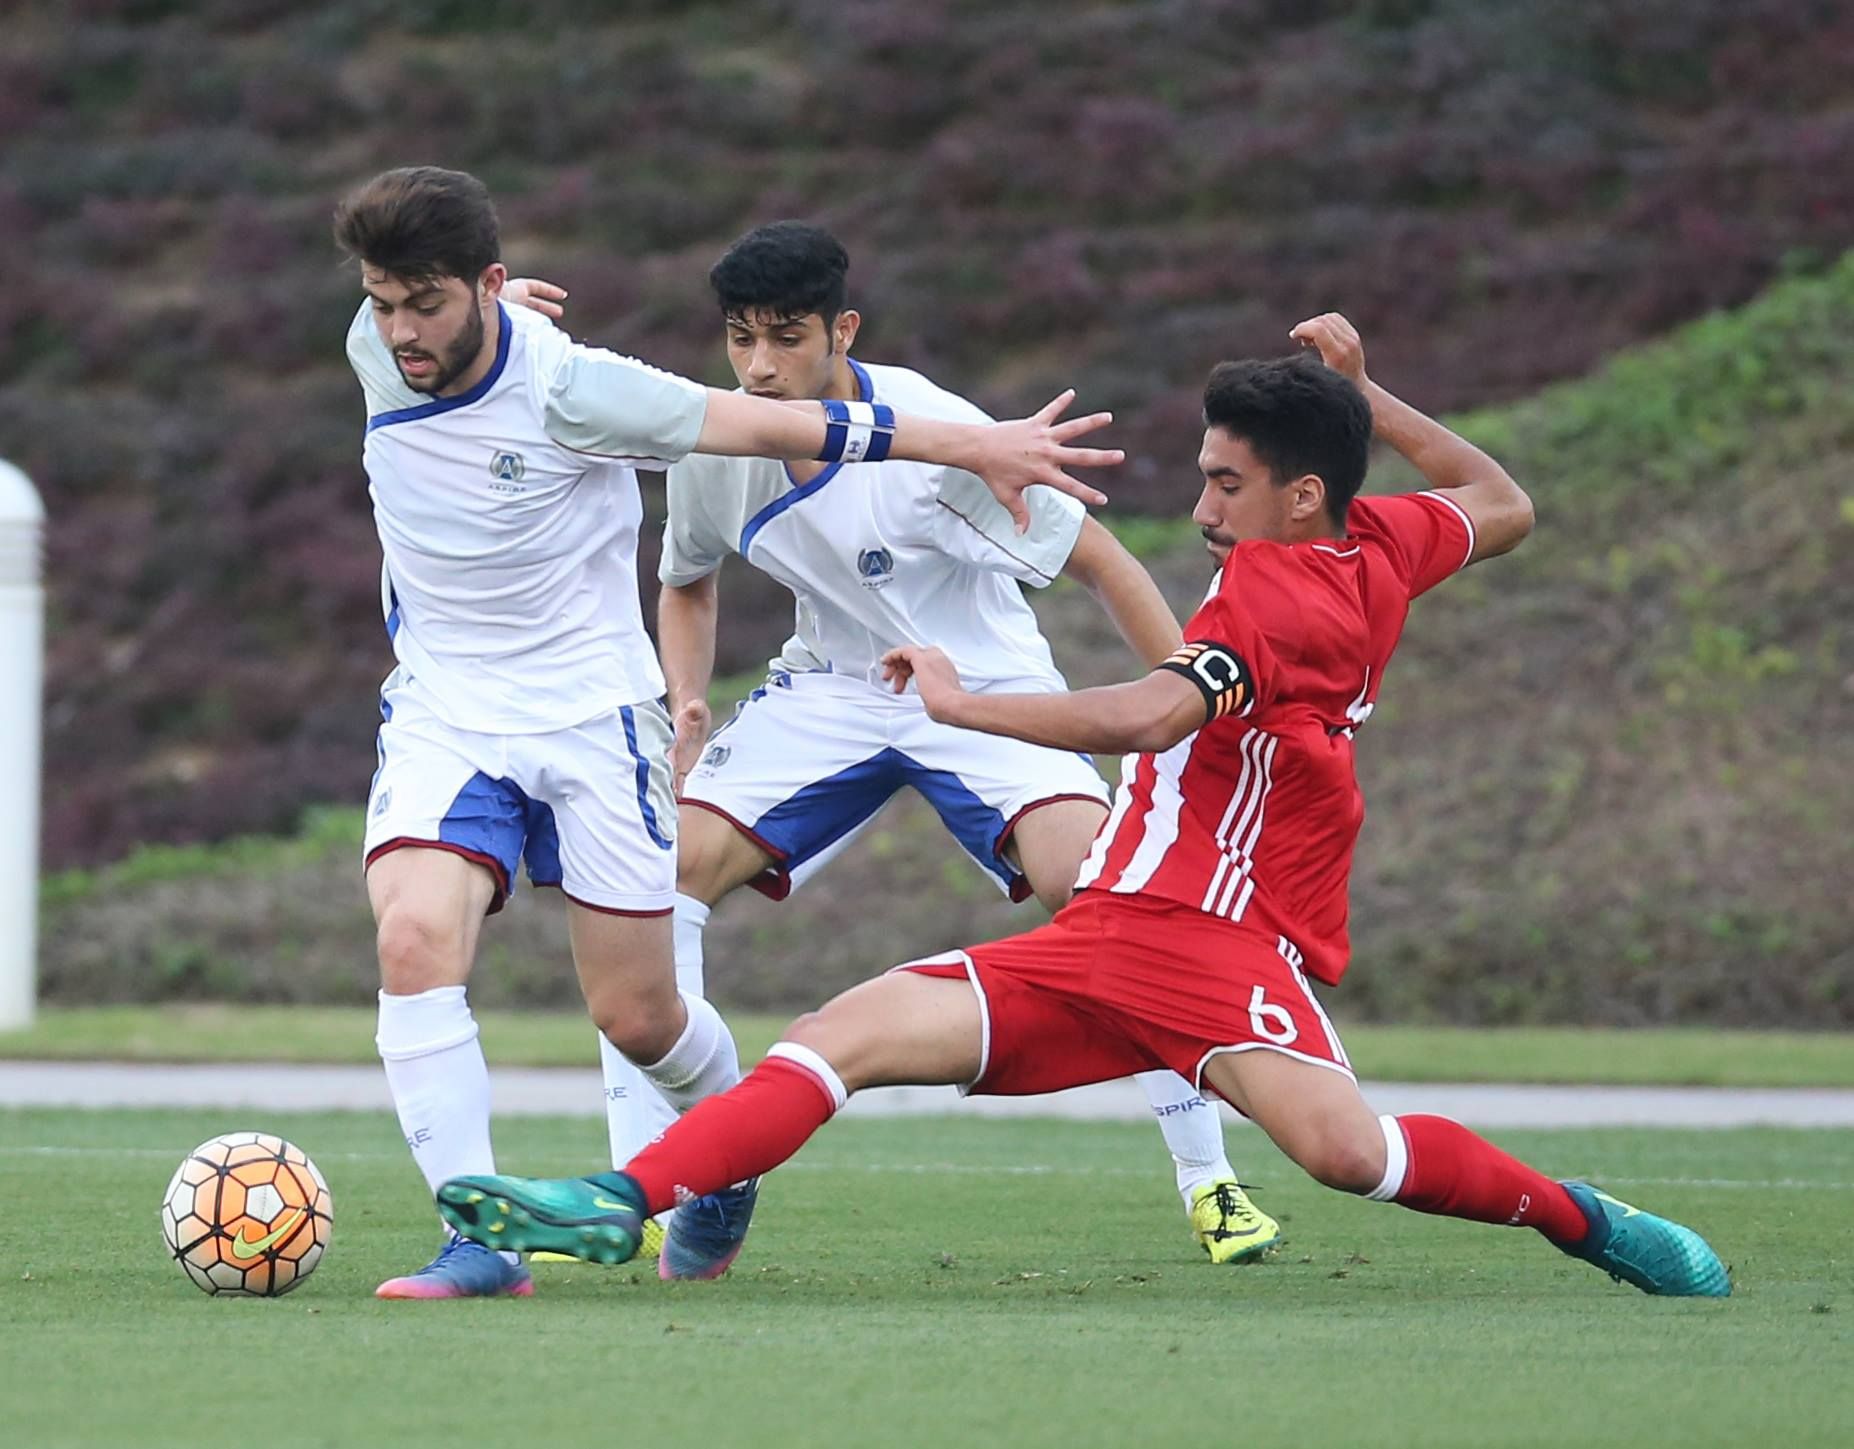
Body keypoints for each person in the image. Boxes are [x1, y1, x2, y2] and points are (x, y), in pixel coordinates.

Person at [433, 312, 1732, 1298]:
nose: (1198, 504)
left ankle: (1584, 1221)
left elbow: (1148, 715)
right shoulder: (1381, 540)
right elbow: (1503, 501)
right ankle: (616, 1195)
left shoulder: (1278, 600)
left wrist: (962, 702)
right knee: (842, 1035)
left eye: (1225, 484)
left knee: (1349, 1156)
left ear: (1295, 497)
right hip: (1114, 927)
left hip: (1212, 946)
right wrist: (1360, 393)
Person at [331, 166, 1120, 1299]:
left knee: (640, 1015)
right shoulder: (375, 344)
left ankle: (723, 1160)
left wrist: (970, 445)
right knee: (412, 941)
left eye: (426, 304)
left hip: (589, 715)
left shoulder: (582, 393)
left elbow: (773, 420)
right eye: (384, 300)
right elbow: (407, 321)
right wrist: (460, 317)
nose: (399, 331)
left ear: (489, 285)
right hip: (447, 710)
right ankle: (481, 1245)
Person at [509, 222, 1270, 1265]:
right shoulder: (717, 440)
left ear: (843, 330)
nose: (762, 365)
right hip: (832, 689)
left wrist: (1192, 711)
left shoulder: (938, 439)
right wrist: (686, 701)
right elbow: (685, 579)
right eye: (740, 339)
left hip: (983, 683)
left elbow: (1104, 562)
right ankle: (646, 1194)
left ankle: (1209, 1181)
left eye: (786, 337)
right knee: (654, 876)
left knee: (1102, 895)